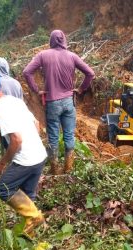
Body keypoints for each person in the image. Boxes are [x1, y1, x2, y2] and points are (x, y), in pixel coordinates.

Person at [0, 69, 46, 237]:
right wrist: (33, 144)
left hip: (26, 160)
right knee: (27, 194)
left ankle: (35, 217)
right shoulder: (16, 101)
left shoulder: (0, 109)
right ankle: (30, 234)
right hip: (40, 155)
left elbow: (16, 140)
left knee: (2, 189)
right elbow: (36, 124)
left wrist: (2, 163)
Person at [23, 29, 95, 175]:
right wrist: (80, 89)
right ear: (64, 40)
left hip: (52, 103)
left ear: (51, 40)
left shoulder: (43, 55)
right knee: (69, 135)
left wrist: (37, 90)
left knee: (53, 136)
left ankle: (55, 169)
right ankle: (68, 169)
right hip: (69, 101)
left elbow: (26, 72)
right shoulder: (72, 56)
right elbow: (90, 73)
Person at [0, 57, 24, 151]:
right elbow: (21, 102)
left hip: (3, 120)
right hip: (17, 118)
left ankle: (10, 162)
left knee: (8, 145)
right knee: (18, 142)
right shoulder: (16, 83)